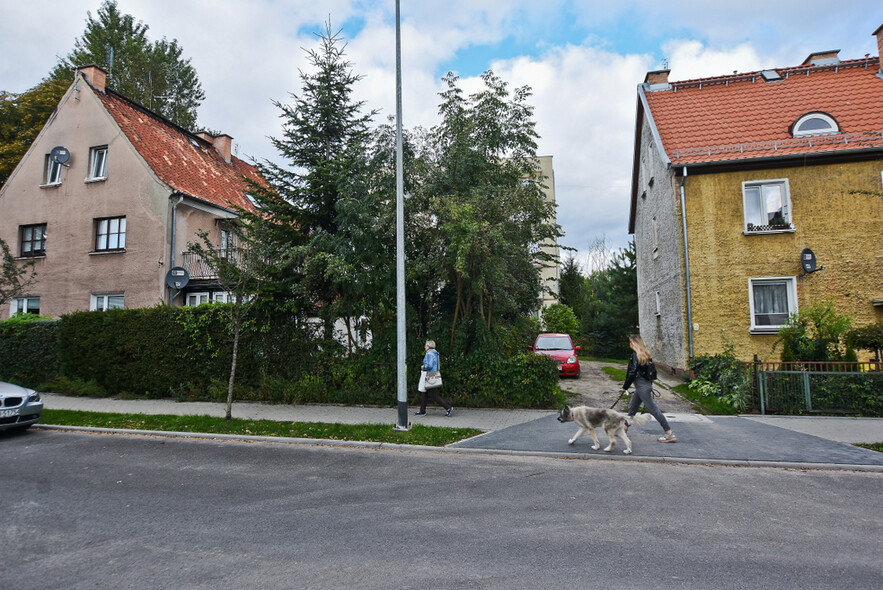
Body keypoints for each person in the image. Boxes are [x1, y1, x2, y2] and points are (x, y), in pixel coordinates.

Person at [622, 334, 676, 442]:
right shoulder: (645, 355)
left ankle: (669, 433)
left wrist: (625, 387)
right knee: (632, 407)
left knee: (654, 410)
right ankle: (624, 429)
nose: (630, 344)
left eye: (631, 342)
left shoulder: (635, 355)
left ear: (634, 343)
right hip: (645, 385)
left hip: (642, 386)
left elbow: (632, 373)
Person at [415, 340, 453, 417]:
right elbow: (437, 366)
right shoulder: (436, 353)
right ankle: (422, 411)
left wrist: (423, 367)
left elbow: (429, 365)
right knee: (424, 393)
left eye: (426, 345)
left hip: (429, 376)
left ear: (428, 346)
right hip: (434, 375)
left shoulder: (429, 353)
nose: (425, 347)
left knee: (433, 395)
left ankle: (448, 408)